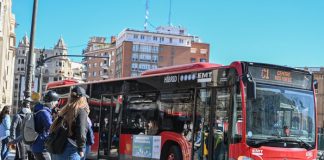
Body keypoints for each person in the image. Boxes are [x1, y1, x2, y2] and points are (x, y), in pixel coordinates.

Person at [51, 86, 89, 160]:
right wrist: (81, 148)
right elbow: (81, 130)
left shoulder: (64, 109)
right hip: (71, 148)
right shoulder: (81, 111)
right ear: (82, 98)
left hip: (59, 145)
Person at [32, 91, 59, 160]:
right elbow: (51, 127)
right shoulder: (44, 113)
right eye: (56, 102)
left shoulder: (40, 110)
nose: (56, 104)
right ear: (52, 102)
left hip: (37, 145)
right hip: (41, 146)